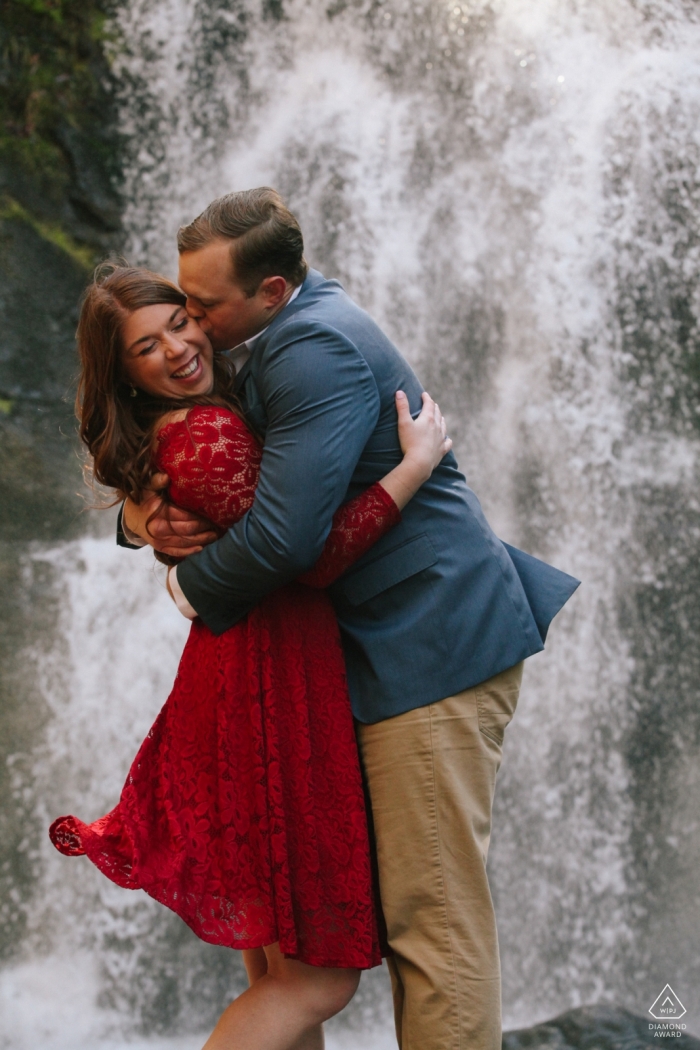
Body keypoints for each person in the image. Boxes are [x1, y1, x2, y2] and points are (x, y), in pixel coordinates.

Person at [119, 188, 580, 1050]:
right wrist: (141, 517)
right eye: (179, 302)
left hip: (427, 643)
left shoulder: (311, 349)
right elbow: (216, 463)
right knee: (297, 938)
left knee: (433, 921)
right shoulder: (262, 339)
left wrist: (191, 588)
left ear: (271, 293)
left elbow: (296, 545)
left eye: (202, 305)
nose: (188, 321)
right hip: (356, 661)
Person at [49, 264, 453, 1050]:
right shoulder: (203, 433)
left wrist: (138, 519)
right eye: (145, 346)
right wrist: (414, 467)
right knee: (318, 978)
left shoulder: (209, 415)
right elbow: (308, 556)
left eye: (179, 320)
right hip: (269, 690)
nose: (177, 346)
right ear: (123, 374)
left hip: (253, 677)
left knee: (278, 970)